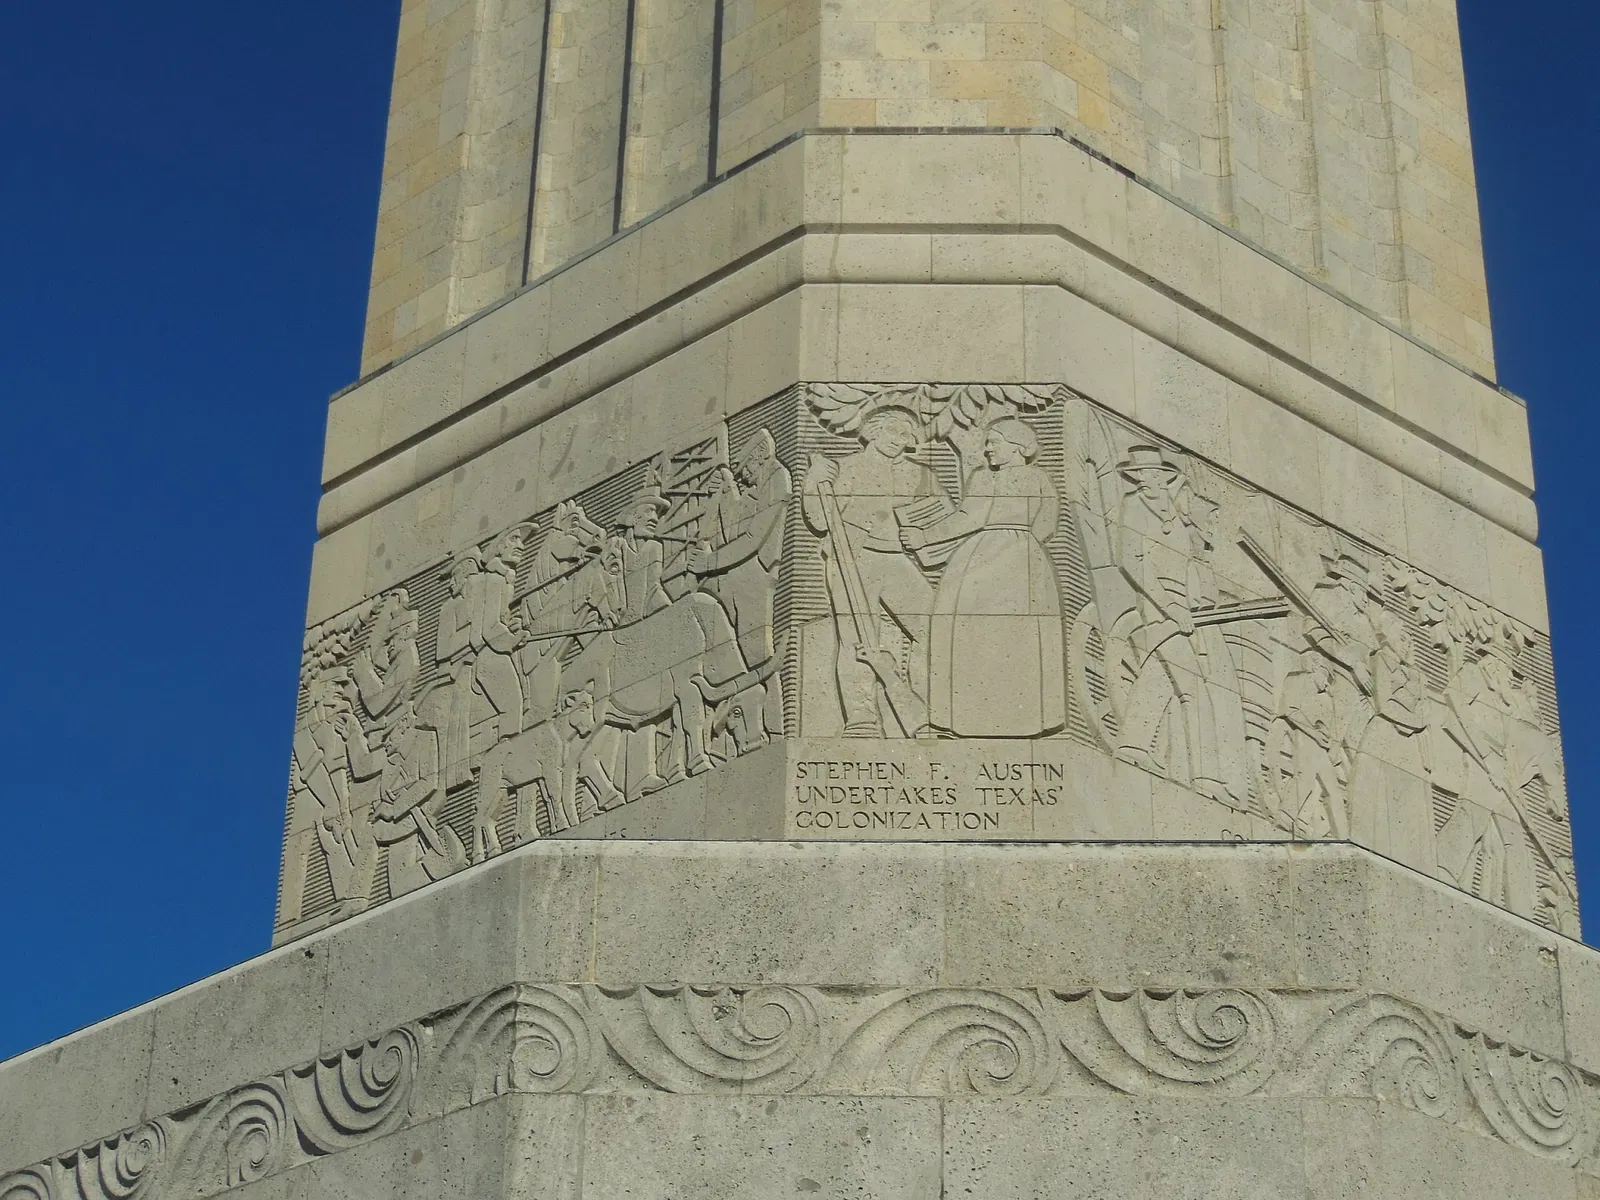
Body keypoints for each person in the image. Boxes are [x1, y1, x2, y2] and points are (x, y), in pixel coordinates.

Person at [899, 419, 1065, 737]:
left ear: (1017, 445)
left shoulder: (989, 479)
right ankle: (1021, 719)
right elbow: (1046, 523)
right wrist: (1025, 545)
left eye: (994, 442)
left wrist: (924, 536)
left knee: (974, 627)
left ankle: (971, 718)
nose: (987, 448)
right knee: (1012, 636)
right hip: (1027, 558)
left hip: (988, 551)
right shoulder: (1037, 478)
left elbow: (970, 518)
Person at [802, 406, 947, 736]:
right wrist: (813, 482)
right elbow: (821, 519)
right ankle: (861, 717)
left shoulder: (919, 473)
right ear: (873, 432)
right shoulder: (846, 468)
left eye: (906, 436)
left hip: (897, 559)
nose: (900, 441)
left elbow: (942, 516)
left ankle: (931, 708)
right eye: (893, 433)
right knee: (856, 639)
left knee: (935, 626)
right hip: (852, 557)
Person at [686, 428, 792, 743]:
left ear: (761, 457)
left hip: (754, 578)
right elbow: (732, 530)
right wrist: (725, 492)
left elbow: (752, 539)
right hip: (734, 579)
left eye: (745, 469)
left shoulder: (777, 480)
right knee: (735, 658)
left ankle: (773, 729)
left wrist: (708, 562)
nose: (744, 476)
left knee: (758, 654)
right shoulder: (751, 491)